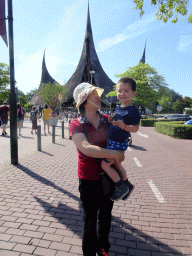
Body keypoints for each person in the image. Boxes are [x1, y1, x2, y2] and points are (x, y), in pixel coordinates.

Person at [69, 82, 125, 256]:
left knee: (106, 216)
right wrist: (113, 153)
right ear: (85, 101)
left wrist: (119, 154)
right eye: (95, 95)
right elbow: (86, 148)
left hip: (107, 178)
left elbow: (122, 144)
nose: (99, 98)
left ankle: (103, 248)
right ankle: (88, 252)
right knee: (90, 219)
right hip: (88, 179)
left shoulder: (108, 121)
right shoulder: (76, 124)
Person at [101, 77, 141, 201]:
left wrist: (123, 126)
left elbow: (135, 128)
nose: (122, 94)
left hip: (117, 143)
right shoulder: (118, 107)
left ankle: (120, 186)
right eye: (120, 91)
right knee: (117, 164)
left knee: (105, 165)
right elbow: (116, 120)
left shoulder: (133, 110)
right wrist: (111, 120)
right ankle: (127, 184)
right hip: (112, 140)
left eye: (126, 91)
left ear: (133, 93)